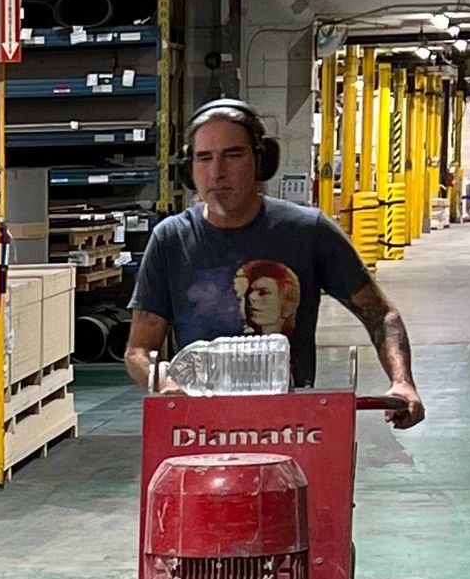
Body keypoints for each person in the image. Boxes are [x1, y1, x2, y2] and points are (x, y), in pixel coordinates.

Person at [125, 99, 425, 426]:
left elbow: (380, 315)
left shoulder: (308, 232)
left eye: (233, 155)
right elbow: (138, 350)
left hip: (291, 425)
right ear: (189, 169)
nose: (216, 172)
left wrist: (402, 381)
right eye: (204, 158)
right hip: (200, 426)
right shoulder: (171, 240)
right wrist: (164, 385)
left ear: (262, 162)